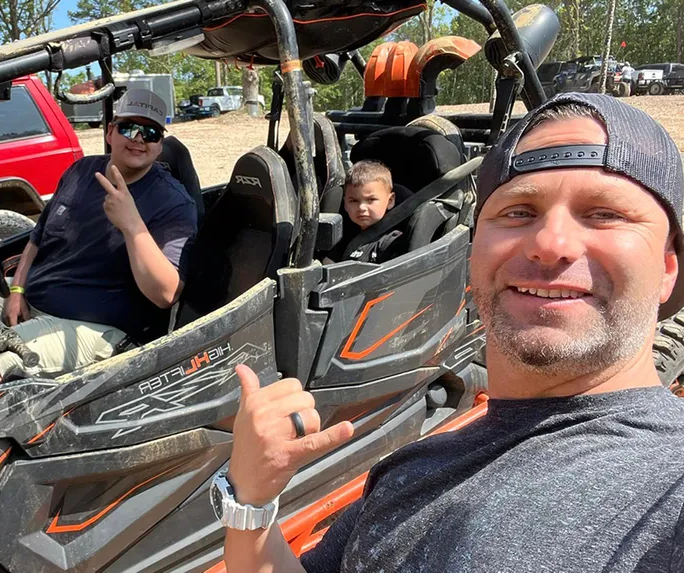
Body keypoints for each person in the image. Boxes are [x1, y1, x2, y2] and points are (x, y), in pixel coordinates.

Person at [215, 92, 684, 572]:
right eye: (518, 212)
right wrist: (249, 501)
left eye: (604, 214)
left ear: (668, 268)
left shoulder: (668, 487)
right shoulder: (412, 468)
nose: (550, 244)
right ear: (474, 250)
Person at [0, 89, 197, 385]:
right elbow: (36, 238)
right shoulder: (81, 172)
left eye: (151, 133)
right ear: (111, 132)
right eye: (129, 128)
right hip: (34, 301)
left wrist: (132, 225)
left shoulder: (173, 203)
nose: (139, 138)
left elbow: (166, 295)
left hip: (93, 327)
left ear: (160, 144)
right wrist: (17, 291)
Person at [330, 159, 406, 263]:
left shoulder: (392, 242)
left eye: (371, 200)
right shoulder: (343, 237)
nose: (361, 207)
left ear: (390, 201)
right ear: (345, 204)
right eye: (354, 201)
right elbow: (328, 263)